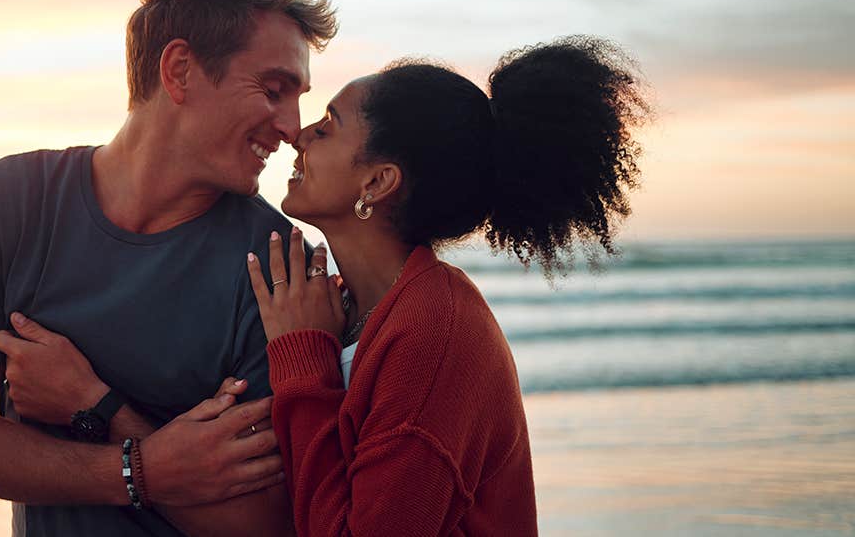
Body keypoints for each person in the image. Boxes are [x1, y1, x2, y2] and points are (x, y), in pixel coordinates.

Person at [0, 0, 336, 537]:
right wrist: (139, 470)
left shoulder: (280, 267)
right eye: (273, 89)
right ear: (180, 70)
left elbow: (263, 526)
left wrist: (98, 408)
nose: (293, 127)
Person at [245, 37, 649, 536]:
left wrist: (302, 358)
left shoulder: (435, 337)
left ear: (377, 182)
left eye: (327, 127)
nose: (300, 135)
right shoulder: (348, 307)